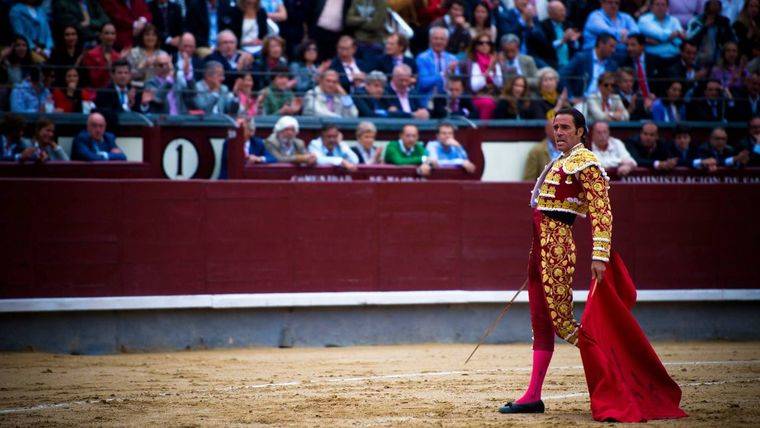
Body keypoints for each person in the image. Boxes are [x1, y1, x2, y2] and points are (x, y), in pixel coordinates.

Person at [499, 107, 686, 423]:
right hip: (541, 250)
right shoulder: (560, 162)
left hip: (556, 250)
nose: (558, 132)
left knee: (563, 323)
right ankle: (532, 396)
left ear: (580, 131)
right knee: (541, 322)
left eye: (565, 127)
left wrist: (600, 256)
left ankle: (618, 374)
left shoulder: (587, 163)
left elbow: (602, 211)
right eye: (555, 127)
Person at [560, 32, 619, 100]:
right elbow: (562, 75)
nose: (613, 50)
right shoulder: (581, 58)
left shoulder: (612, 65)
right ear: (600, 44)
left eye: (614, 47)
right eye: (611, 46)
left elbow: (615, 86)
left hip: (603, 101)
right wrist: (571, 97)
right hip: (583, 101)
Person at [464, 31, 503, 119]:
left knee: (505, 103)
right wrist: (489, 69)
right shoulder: (472, 62)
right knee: (487, 103)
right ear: (476, 46)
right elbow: (475, 86)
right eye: (481, 43)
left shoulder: (494, 60)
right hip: (475, 96)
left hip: (494, 94)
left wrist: (495, 69)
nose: (485, 45)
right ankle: (483, 131)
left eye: (488, 43)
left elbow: (499, 84)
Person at [416, 27, 458, 107]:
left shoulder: (453, 59)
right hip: (428, 99)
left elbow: (457, 83)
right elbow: (423, 82)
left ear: (447, 41)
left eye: (442, 39)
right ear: (430, 40)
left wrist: (453, 72)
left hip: (449, 99)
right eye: (435, 38)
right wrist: (443, 74)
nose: (439, 42)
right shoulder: (422, 58)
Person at [686, 0, 737, 67]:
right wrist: (704, 27)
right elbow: (690, 39)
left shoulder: (724, 22)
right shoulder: (697, 21)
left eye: (717, 3)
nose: (715, 5)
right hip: (698, 58)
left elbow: (732, 39)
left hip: (719, 60)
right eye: (713, 3)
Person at [538, 0, 580, 70]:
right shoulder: (543, 27)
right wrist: (562, 40)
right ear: (551, 13)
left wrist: (574, 40)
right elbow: (546, 48)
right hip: (552, 65)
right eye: (560, 11)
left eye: (564, 10)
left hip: (569, 65)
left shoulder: (568, 24)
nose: (564, 13)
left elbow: (576, 47)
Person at [80, 23, 121, 89]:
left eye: (113, 34)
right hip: (95, 93)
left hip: (113, 94)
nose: (110, 36)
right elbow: (93, 79)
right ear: (100, 35)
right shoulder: (91, 55)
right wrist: (107, 67)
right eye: (106, 33)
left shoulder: (118, 57)